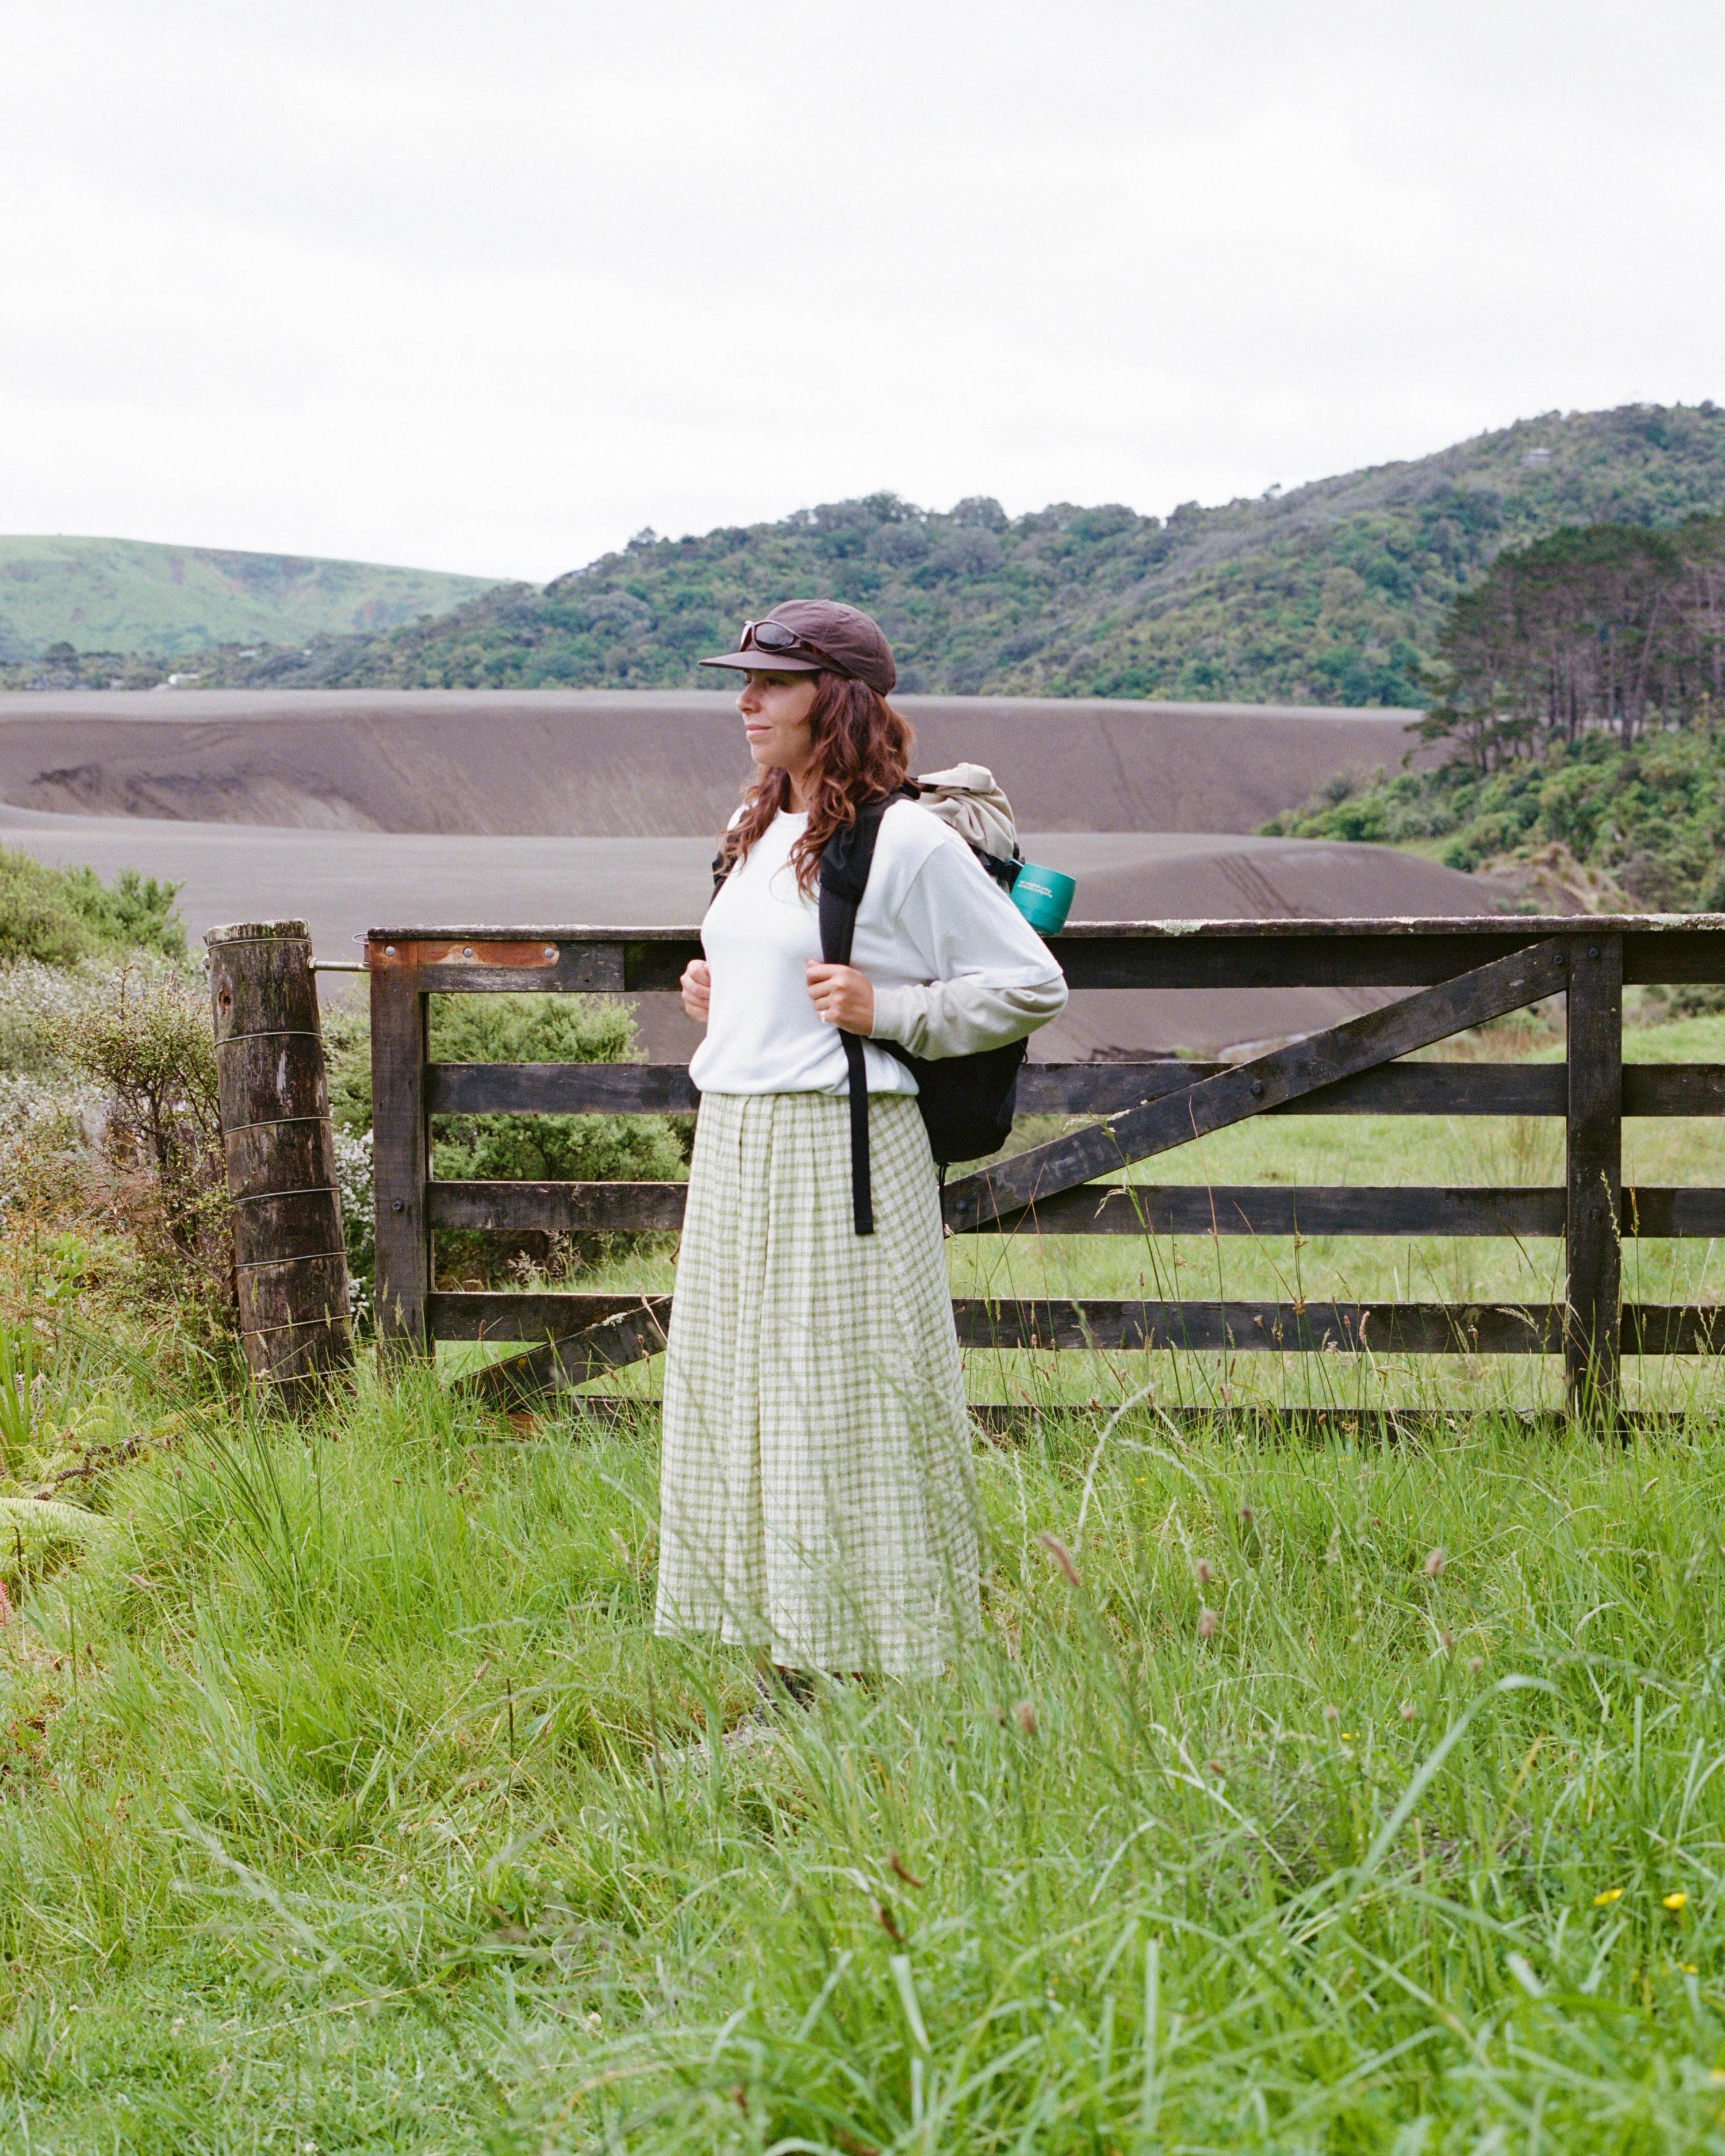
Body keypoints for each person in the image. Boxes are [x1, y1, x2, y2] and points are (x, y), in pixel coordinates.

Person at [653, 599, 1068, 1687]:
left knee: (839, 1410)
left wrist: (893, 1011)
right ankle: (784, 1661)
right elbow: (776, 964)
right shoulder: (759, 829)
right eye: (743, 682)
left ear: (833, 702)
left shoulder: (906, 837)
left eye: (771, 684)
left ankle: (874, 1665)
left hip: (841, 1150)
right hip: (739, 1140)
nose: (744, 701)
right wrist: (717, 989)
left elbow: (1032, 980)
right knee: (739, 1399)